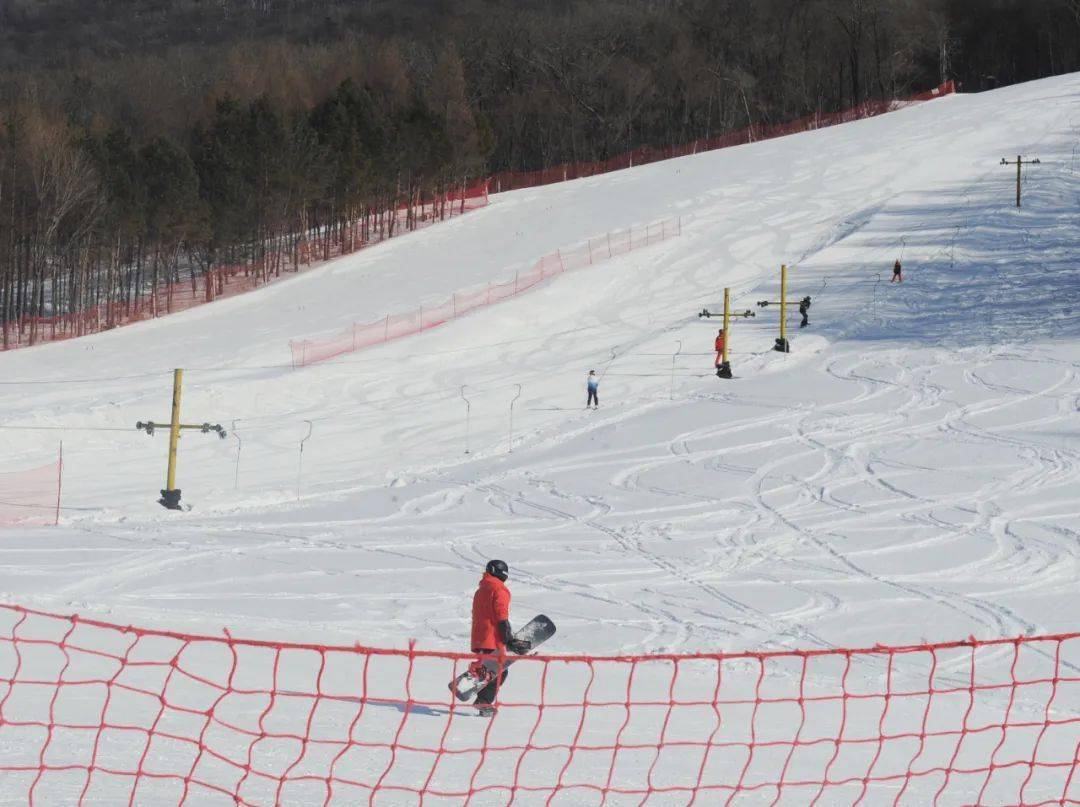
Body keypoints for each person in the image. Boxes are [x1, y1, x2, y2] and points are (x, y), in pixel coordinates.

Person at [471, 559, 531, 716]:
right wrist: (508, 637)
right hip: (492, 637)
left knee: (489, 668)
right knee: (499, 671)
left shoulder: (480, 590)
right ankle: (483, 701)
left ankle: (478, 673)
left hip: (479, 637)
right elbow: (501, 615)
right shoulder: (499, 590)